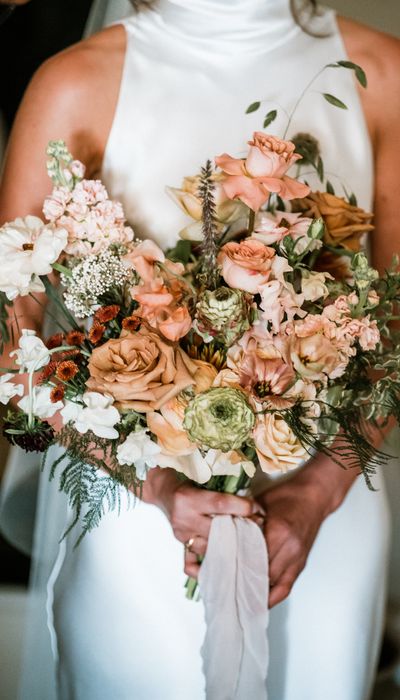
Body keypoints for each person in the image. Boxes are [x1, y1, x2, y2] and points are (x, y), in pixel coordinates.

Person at [0, 1, 399, 698]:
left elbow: (395, 326)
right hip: (138, 510)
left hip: (329, 506)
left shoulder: (386, 71)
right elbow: (13, 344)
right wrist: (158, 488)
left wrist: (320, 492)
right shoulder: (76, 81)